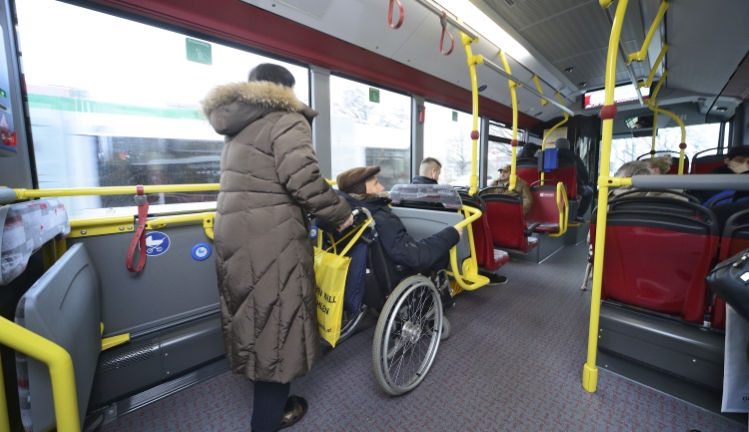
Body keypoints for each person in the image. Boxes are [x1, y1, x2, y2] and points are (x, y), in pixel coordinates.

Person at [202, 63, 354, 432]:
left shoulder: (235, 128)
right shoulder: (286, 118)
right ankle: (266, 422)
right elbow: (303, 180)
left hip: (235, 236)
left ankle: (271, 405)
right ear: (285, 90)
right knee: (279, 330)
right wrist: (341, 213)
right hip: (272, 240)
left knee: (256, 322)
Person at [337, 166, 509, 285]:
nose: (382, 186)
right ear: (363, 191)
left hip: (366, 271)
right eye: (375, 184)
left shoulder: (349, 214)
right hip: (395, 271)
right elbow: (413, 255)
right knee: (442, 252)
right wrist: (450, 234)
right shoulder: (382, 218)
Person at [555, 138, 593, 223]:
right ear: (568, 146)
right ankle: (579, 216)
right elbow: (584, 174)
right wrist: (583, 185)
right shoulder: (575, 158)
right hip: (573, 189)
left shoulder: (550, 157)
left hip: (553, 188)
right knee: (590, 191)